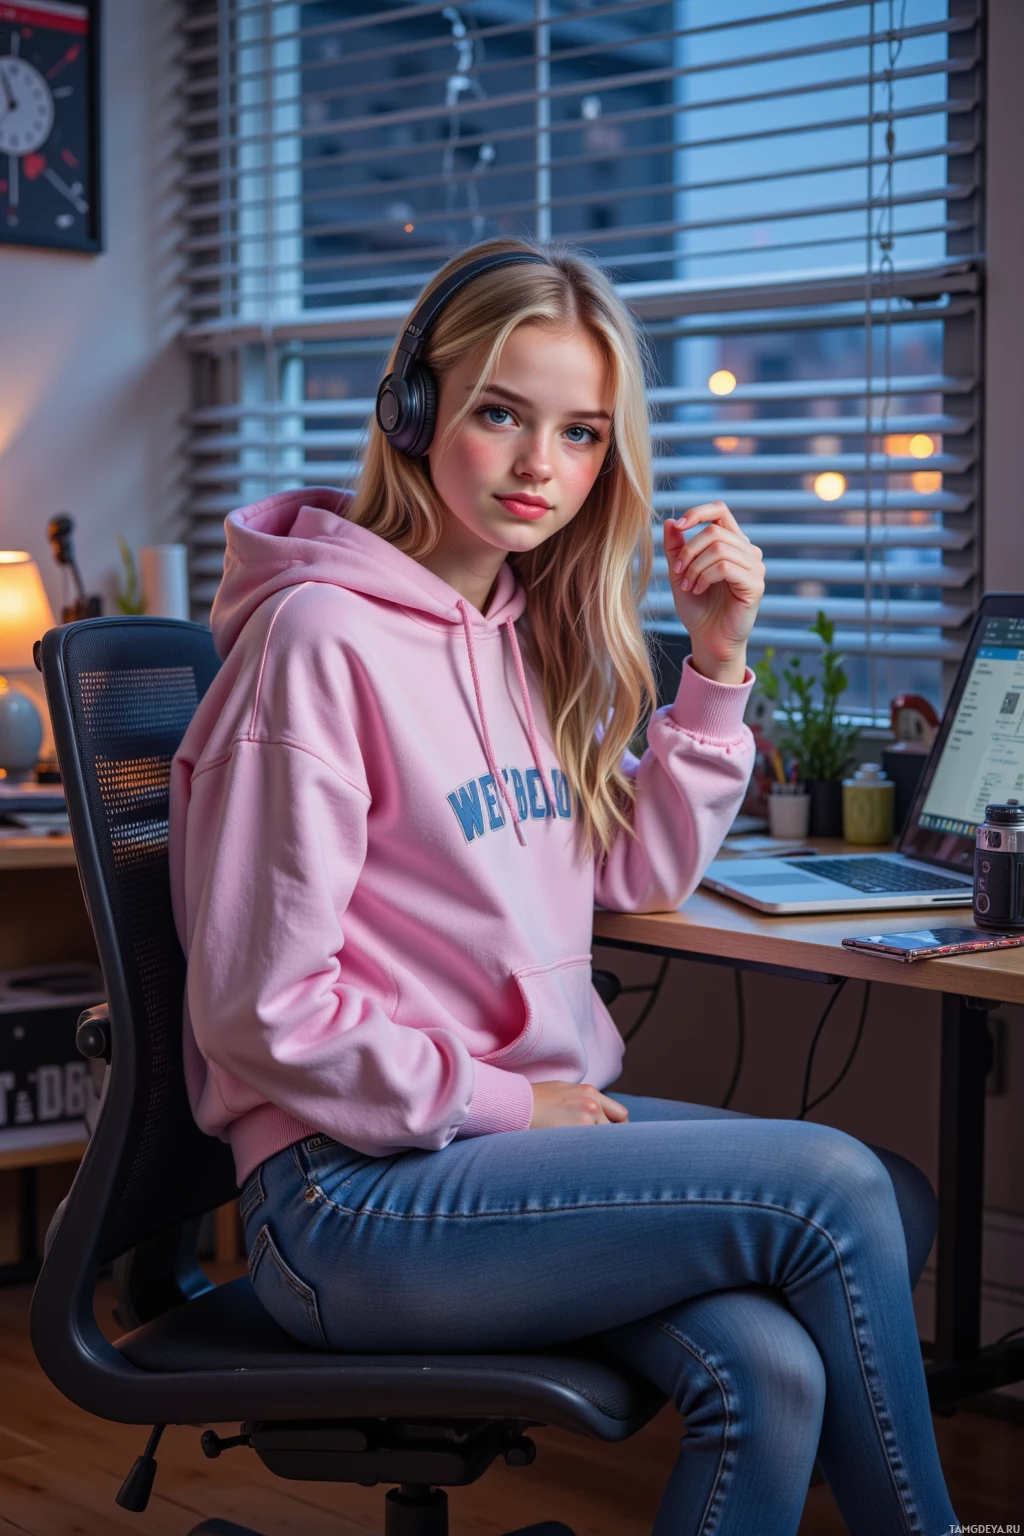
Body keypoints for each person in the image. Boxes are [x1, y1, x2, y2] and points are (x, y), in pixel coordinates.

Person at [168, 235, 960, 1535]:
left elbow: (636, 871)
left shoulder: (514, 634)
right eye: (499, 414)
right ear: (412, 410)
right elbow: (262, 1011)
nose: (544, 467)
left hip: (494, 1148)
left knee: (777, 1352)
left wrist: (717, 659)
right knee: (845, 1190)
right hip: (353, 1197)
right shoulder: (318, 643)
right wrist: (505, 1103)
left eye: (583, 433)